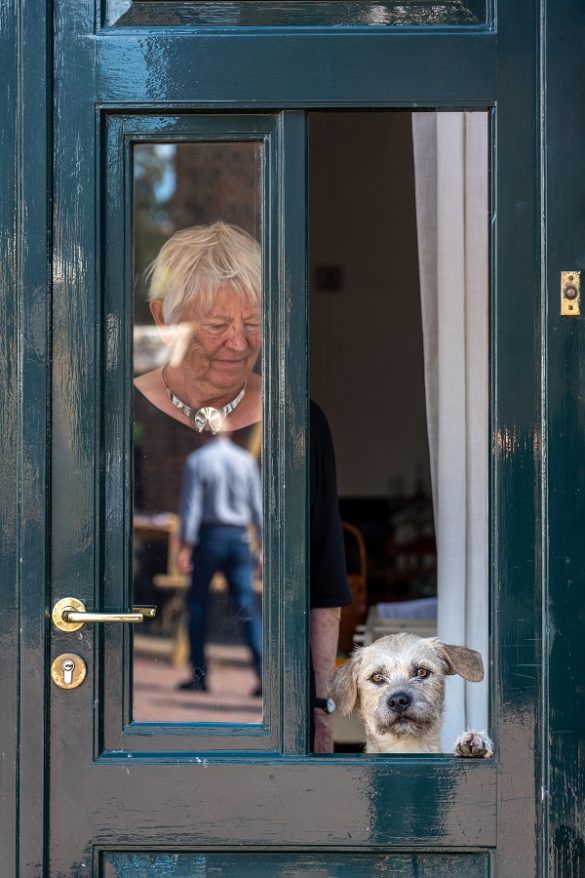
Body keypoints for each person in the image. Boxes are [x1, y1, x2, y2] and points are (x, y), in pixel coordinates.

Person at [134, 221, 351, 751]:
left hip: (269, 729)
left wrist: (320, 710)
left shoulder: (299, 422)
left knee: (222, 609)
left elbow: (324, 582)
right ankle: (227, 675)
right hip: (132, 719)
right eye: (216, 325)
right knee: (228, 610)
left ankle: (214, 676)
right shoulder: (112, 415)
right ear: (163, 319)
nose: (239, 342)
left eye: (253, 322)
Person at [175, 432, 263, 694]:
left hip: (209, 537)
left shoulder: (198, 459)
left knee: (198, 606)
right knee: (247, 607)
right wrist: (262, 546)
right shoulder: (245, 460)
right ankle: (264, 677)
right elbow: (258, 506)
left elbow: (191, 507)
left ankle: (199, 677)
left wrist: (185, 547)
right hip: (239, 537)